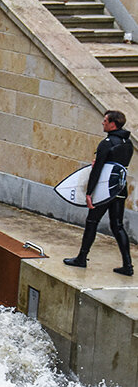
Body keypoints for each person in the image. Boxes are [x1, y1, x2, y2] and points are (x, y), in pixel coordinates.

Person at [64, 110, 134, 276]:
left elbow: (97, 170)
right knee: (117, 226)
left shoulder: (107, 143)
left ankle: (81, 258)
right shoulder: (128, 143)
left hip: (104, 190)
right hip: (119, 189)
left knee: (92, 221)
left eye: (105, 121)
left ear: (112, 124)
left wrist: (89, 193)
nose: (102, 123)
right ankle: (128, 266)